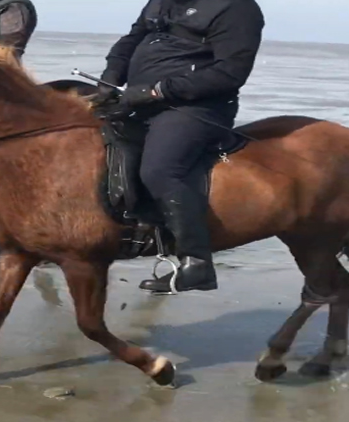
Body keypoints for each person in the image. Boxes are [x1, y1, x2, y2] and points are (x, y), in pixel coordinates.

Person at [96, 0, 265, 294]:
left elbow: (231, 72)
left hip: (198, 107)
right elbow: (132, 39)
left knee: (160, 169)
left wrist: (157, 91)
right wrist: (110, 77)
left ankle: (196, 263)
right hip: (137, 99)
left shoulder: (238, 8)